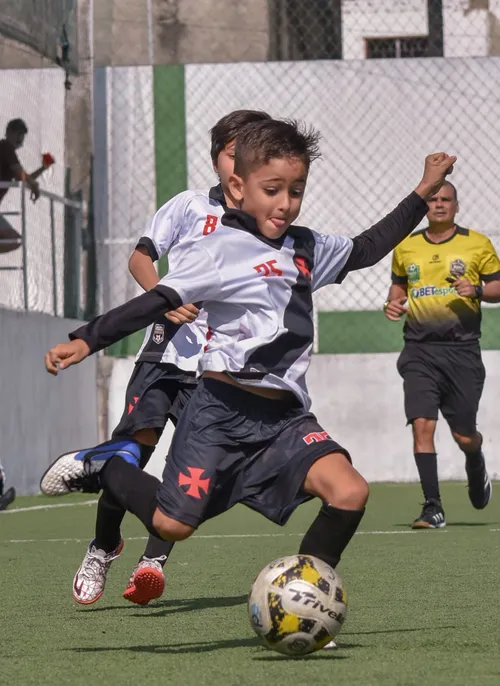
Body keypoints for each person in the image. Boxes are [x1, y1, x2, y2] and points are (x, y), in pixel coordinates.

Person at [42, 120, 455, 641]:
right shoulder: (217, 250)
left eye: (296, 191)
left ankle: (304, 600)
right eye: (273, 190)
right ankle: (106, 466)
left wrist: (422, 191)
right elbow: (155, 301)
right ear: (239, 187)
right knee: (172, 526)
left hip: (285, 419)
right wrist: (86, 338)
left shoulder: (306, 248)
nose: (285, 204)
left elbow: (368, 247)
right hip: (219, 414)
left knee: (349, 492)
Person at [51, 109, 272, 607]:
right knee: (129, 452)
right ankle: (104, 544)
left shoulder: (268, 223)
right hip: (166, 355)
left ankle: (154, 559)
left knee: (189, 469)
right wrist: (164, 297)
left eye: (249, 152)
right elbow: (140, 257)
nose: (239, 162)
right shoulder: (189, 206)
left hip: (219, 369)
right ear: (217, 159)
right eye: (231, 151)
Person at [384, 181, 500, 529]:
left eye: (445, 199)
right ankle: (432, 507)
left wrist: (476, 289)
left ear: (456, 205)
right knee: (422, 424)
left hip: (462, 351)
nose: (438, 205)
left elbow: (497, 286)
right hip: (418, 350)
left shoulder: (477, 243)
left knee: (464, 434)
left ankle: (475, 459)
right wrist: (393, 301)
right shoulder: (406, 245)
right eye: (432, 199)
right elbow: (399, 284)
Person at [0, 119, 53, 253]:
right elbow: (22, 175)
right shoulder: (5, 147)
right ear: (9, 132)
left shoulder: (7, 151)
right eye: (18, 135)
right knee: (13, 240)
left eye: (22, 136)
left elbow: (23, 179)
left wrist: (43, 168)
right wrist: (33, 184)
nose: (20, 140)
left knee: (14, 240)